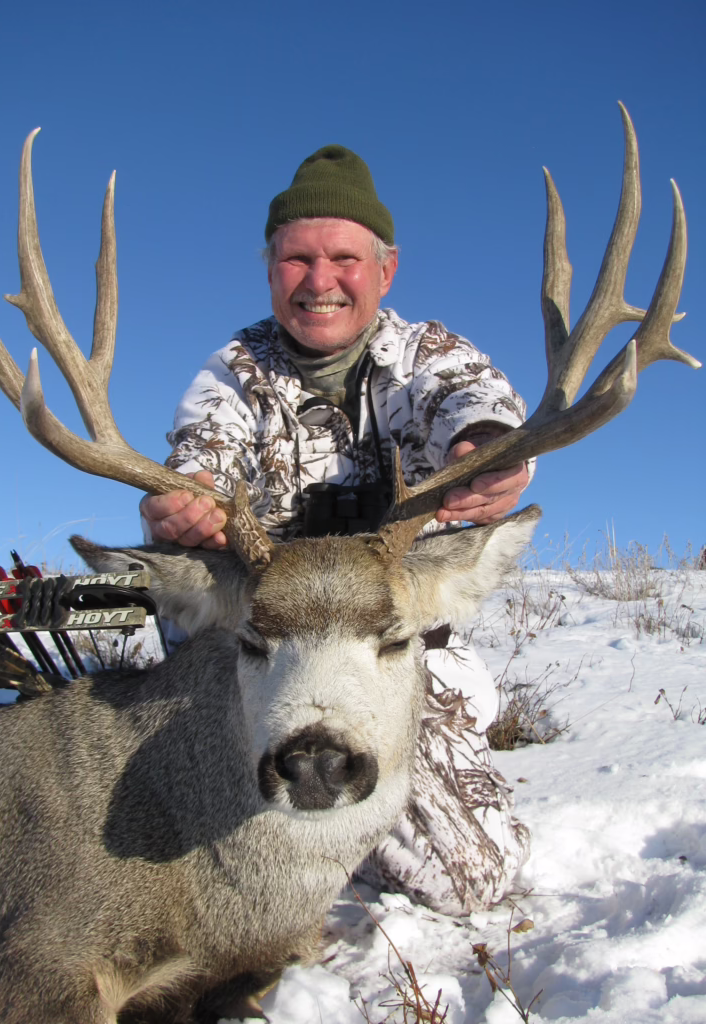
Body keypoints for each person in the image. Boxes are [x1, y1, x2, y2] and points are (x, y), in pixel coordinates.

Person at [140, 145, 532, 914]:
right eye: (297, 259)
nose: (320, 282)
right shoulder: (233, 374)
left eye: (344, 258)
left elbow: (471, 400)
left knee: (469, 877)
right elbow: (203, 453)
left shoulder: (425, 357)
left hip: (385, 645)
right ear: (269, 267)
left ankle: (359, 831)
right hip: (259, 653)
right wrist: (188, 501)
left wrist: (487, 452)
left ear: (385, 270)